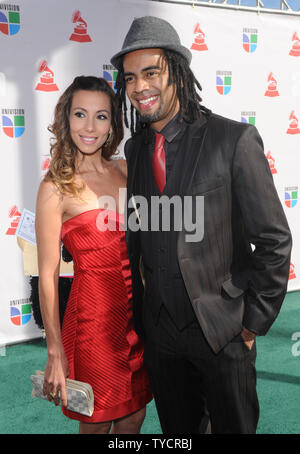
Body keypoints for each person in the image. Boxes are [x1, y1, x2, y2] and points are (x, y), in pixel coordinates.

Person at [110, 16, 292, 434]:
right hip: (160, 334)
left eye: (151, 72)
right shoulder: (136, 149)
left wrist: (249, 325)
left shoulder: (233, 139)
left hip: (223, 328)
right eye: (131, 78)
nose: (139, 88)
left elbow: (273, 240)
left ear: (177, 70)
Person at [35, 76, 152, 434]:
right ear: (66, 119)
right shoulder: (55, 187)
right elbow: (48, 274)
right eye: (80, 114)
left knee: (134, 414)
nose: (89, 127)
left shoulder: (127, 170)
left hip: (140, 316)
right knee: (97, 420)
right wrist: (55, 350)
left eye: (101, 117)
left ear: (113, 123)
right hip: (94, 324)